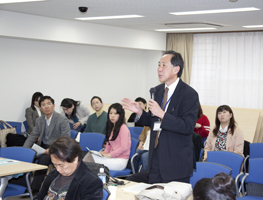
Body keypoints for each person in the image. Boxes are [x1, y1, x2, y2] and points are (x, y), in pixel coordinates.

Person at [122, 50, 199, 184]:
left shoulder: (189, 94)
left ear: (176, 69)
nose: (159, 69)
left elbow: (187, 126)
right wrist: (140, 112)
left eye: (164, 65)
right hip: (156, 158)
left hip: (176, 161)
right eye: (158, 65)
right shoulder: (157, 91)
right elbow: (153, 121)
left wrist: (162, 114)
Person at [23, 96, 70, 193]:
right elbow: (33, 135)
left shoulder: (62, 119)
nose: (46, 107)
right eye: (43, 105)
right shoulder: (40, 120)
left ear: (53, 105)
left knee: (43, 160)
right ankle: (22, 185)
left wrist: (52, 149)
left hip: (57, 148)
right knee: (26, 157)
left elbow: (65, 139)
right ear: (40, 108)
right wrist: (24, 150)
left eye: (48, 104)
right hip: (42, 147)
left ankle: (34, 189)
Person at [34, 136, 103, 200]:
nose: (58, 169)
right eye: (54, 165)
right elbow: (39, 197)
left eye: (61, 165)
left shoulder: (91, 182)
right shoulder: (54, 174)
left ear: (75, 159)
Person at [83, 103, 131, 171]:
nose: (112, 116)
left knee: (90, 158)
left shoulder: (123, 128)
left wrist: (109, 155)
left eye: (116, 113)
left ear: (121, 115)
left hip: (120, 161)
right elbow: (109, 145)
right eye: (110, 113)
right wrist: (104, 153)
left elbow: (124, 147)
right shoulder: (112, 127)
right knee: (91, 155)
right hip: (112, 159)